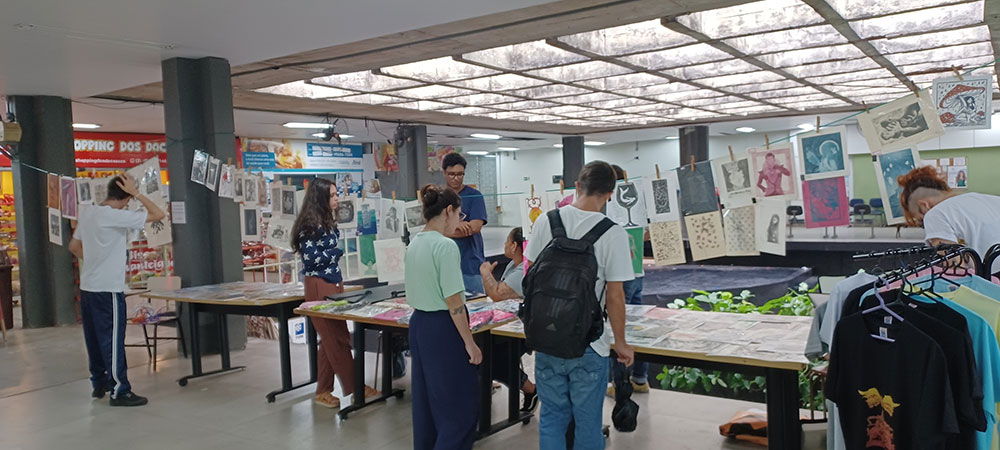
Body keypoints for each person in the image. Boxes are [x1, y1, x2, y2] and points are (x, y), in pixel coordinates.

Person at [525, 161, 635, 450]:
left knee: (550, 417)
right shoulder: (613, 233)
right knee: (588, 423)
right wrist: (621, 343)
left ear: (577, 186)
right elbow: (615, 296)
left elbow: (532, 276)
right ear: (609, 194)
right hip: (590, 344)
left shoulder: (546, 221)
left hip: (547, 339)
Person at [68, 173, 165, 407]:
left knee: (93, 338)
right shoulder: (116, 216)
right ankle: (119, 390)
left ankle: (99, 383)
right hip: (108, 290)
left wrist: (94, 260)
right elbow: (158, 214)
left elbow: (73, 246)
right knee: (112, 340)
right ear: (126, 197)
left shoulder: (89, 213)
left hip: (89, 287)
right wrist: (138, 193)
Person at [405, 184, 482, 450]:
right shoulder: (446, 246)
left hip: (419, 325)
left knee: (426, 404)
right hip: (443, 328)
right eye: (459, 215)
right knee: (458, 408)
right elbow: (454, 303)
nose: (459, 222)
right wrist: (470, 342)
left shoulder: (415, 243)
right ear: (448, 210)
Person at [291, 177, 377, 408]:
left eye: (336, 193)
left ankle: (323, 390)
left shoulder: (327, 221)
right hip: (319, 285)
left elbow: (325, 255)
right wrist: (335, 252)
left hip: (333, 282)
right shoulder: (309, 226)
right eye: (332, 195)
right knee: (337, 339)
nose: (337, 198)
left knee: (329, 339)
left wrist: (331, 253)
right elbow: (312, 260)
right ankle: (355, 387)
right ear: (320, 198)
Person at [898, 166, 1000, 274]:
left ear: (924, 205)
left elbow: (956, 271)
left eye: (920, 218)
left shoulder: (935, 214)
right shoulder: (989, 200)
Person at [479, 227, 538, 412]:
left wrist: (486, 273)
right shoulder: (513, 265)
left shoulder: (523, 270)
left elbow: (497, 294)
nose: (504, 244)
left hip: (521, 328)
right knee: (482, 350)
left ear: (514, 246)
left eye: (507, 241)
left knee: (492, 358)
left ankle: (529, 389)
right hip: (505, 323)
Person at [607, 165, 650, 396]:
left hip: (619, 275)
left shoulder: (608, 206)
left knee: (618, 327)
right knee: (637, 326)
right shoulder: (638, 204)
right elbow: (646, 234)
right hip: (636, 271)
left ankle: (619, 383)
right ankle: (641, 379)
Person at [442, 153, 488, 294]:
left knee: (477, 307)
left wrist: (445, 228)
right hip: (444, 265)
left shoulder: (475, 195)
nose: (456, 178)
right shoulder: (439, 196)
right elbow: (431, 228)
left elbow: (474, 227)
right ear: (444, 172)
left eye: (460, 174)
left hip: (470, 265)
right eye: (451, 174)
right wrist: (456, 226)